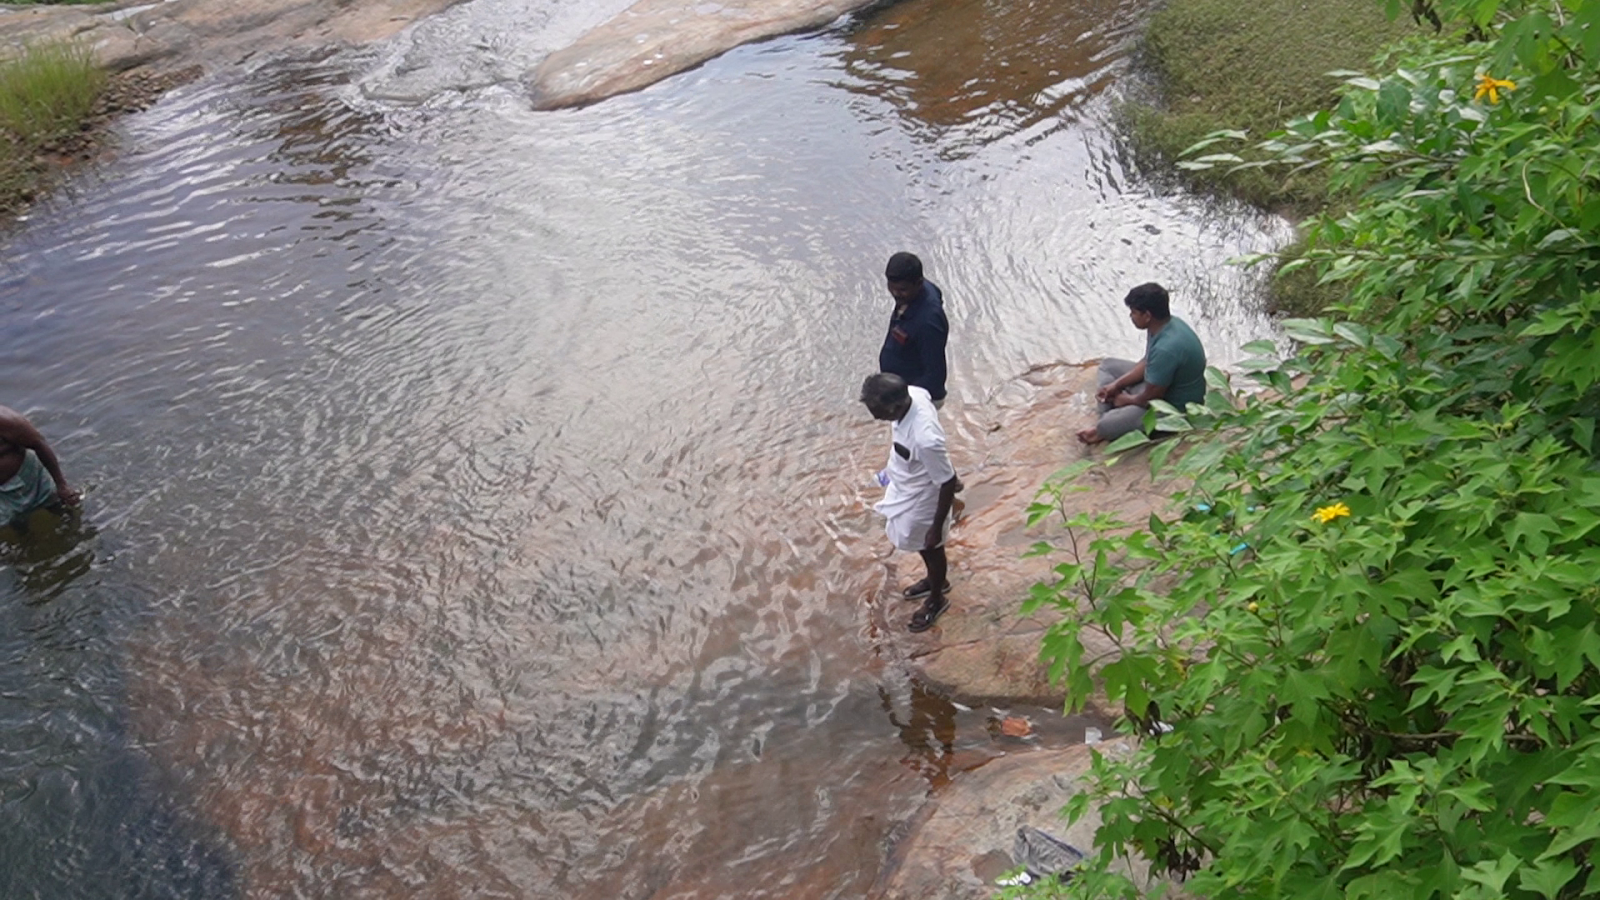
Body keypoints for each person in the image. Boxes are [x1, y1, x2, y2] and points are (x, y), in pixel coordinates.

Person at [860, 372, 959, 633]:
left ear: (894, 406)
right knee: (919, 544)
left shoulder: (925, 438)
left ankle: (937, 598)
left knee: (931, 547)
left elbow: (947, 481)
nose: (872, 414)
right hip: (905, 483)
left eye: (875, 408)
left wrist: (936, 526)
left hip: (924, 497)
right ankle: (935, 580)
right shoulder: (913, 394)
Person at [1077, 283, 1207, 446]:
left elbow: (1150, 399)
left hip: (1173, 408)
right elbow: (1147, 362)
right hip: (1159, 384)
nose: (1131, 316)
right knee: (1107, 366)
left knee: (1106, 425)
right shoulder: (1161, 327)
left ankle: (1108, 423)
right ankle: (1115, 415)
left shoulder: (1166, 348)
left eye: (1133, 313)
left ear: (1147, 315)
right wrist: (1116, 385)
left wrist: (1126, 400)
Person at [879, 252, 949, 407]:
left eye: (902, 289)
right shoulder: (914, 295)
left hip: (918, 399)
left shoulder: (928, 322)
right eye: (892, 287)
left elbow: (935, 375)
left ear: (918, 283)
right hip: (901, 389)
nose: (896, 294)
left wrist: (904, 402)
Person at [0, 405, 81, 526]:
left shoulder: (7, 421)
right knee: (14, 524)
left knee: (59, 509)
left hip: (27, 478)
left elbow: (39, 444)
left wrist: (62, 485)